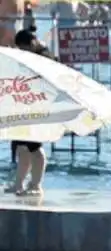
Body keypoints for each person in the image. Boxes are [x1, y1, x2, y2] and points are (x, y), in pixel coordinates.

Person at [6, 29, 49, 197]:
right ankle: (19, 182)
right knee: (21, 146)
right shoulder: (25, 56)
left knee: (34, 146)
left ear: (31, 44)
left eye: (23, 48)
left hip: (37, 106)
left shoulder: (44, 56)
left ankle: (36, 184)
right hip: (21, 106)